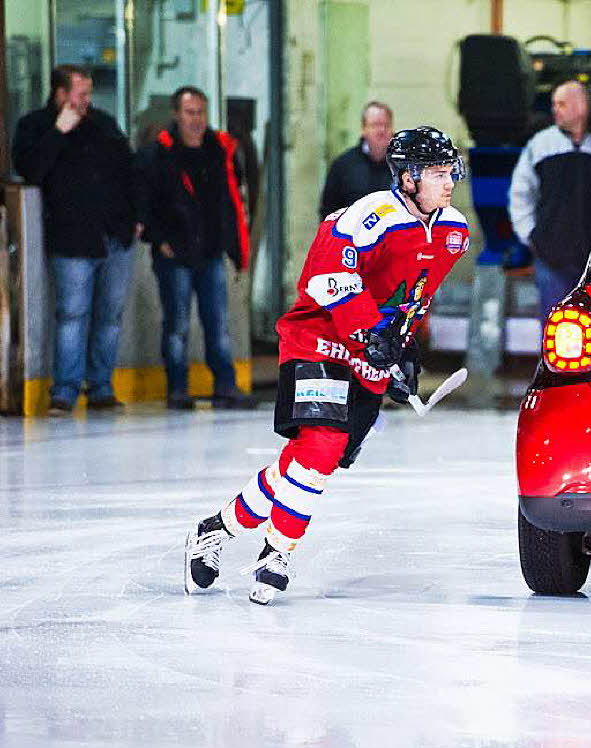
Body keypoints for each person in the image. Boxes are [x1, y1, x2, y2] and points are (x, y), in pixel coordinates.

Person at [183, 126, 470, 605]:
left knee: (313, 463)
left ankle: (217, 529)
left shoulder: (452, 232)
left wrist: (402, 348)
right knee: (322, 445)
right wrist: (369, 334)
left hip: (368, 352)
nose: (448, 183)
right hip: (318, 339)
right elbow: (325, 278)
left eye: (450, 172)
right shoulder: (371, 217)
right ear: (408, 177)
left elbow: (415, 295)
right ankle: (276, 553)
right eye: (438, 174)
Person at [12, 65, 139, 414]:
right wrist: (58, 132)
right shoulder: (35, 126)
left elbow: (129, 170)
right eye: (80, 93)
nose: (86, 100)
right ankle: (65, 390)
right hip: (72, 240)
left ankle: (100, 386)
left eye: (88, 93)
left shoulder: (103, 123)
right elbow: (32, 170)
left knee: (109, 317)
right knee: (72, 314)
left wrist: (135, 218)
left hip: (114, 236)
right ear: (61, 93)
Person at [135, 86, 257, 410]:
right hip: (174, 254)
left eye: (201, 112)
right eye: (190, 113)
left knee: (218, 323)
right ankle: (177, 387)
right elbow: (145, 203)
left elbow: (232, 198)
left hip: (210, 251)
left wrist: (234, 246)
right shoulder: (157, 155)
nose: (196, 120)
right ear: (177, 115)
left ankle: (225, 385)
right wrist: (159, 241)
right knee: (176, 325)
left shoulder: (220, 150)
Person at [509, 80, 591, 321]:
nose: (555, 110)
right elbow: (521, 194)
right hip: (552, 260)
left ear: (581, 107)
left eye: (561, 104)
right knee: (555, 328)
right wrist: (532, 236)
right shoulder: (540, 145)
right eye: (553, 104)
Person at [319, 101, 395, 218]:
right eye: (375, 125)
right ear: (363, 129)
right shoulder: (343, 165)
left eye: (386, 125)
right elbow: (329, 212)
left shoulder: (402, 166)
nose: (381, 131)